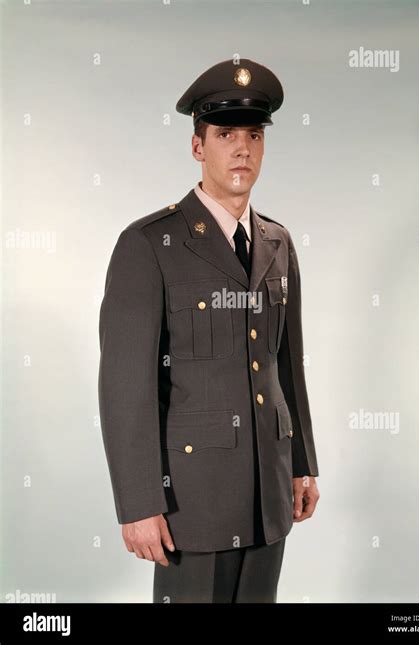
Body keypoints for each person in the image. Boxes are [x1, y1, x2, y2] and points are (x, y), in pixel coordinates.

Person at [98, 57, 320, 603]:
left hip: (268, 494)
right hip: (191, 502)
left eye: (254, 135)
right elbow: (126, 387)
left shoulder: (277, 243)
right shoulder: (150, 244)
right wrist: (139, 503)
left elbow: (286, 364)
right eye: (226, 135)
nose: (242, 149)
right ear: (198, 147)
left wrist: (301, 464)